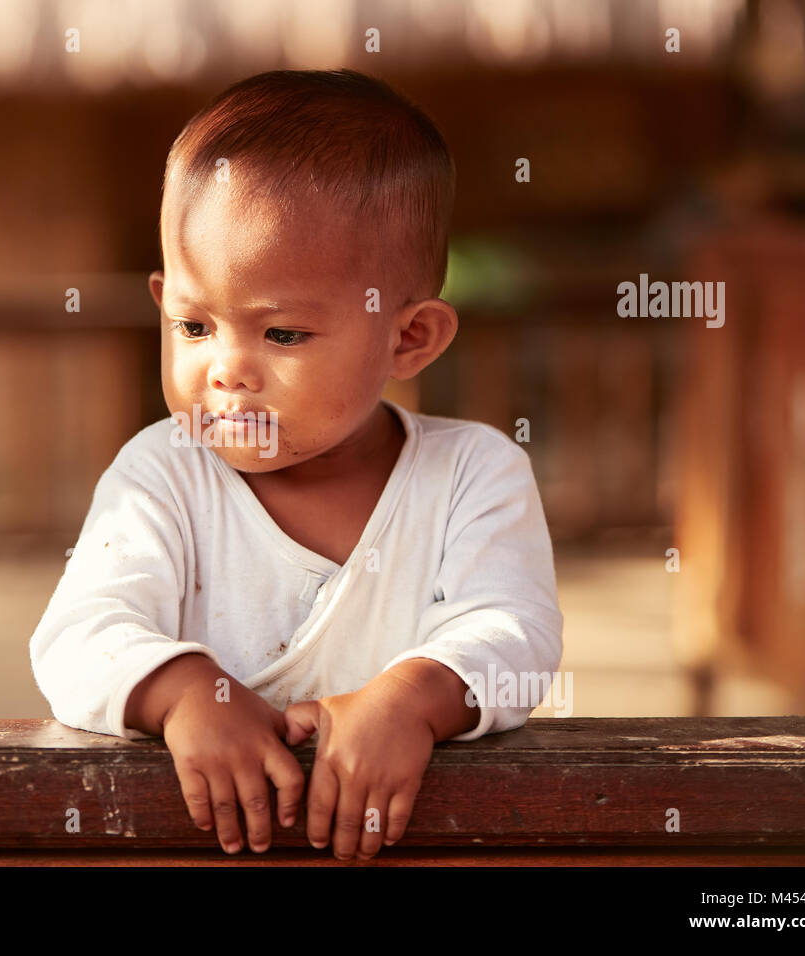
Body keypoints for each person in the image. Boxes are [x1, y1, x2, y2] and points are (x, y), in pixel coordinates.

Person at [29, 69, 563, 861]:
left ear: (409, 338)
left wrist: (412, 699)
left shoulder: (472, 475)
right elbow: (79, 637)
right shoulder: (164, 473)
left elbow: (515, 633)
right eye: (193, 324)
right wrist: (182, 695)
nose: (227, 370)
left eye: (281, 335)